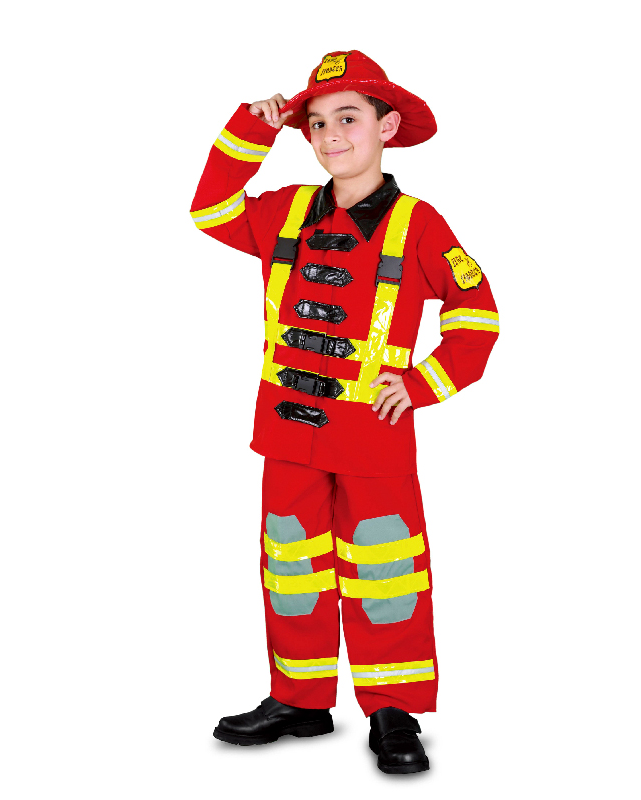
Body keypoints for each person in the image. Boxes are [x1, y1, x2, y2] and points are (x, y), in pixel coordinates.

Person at [189, 50, 500, 774]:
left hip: (373, 439)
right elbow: (210, 210)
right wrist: (251, 129)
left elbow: (478, 314)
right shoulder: (286, 212)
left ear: (386, 127)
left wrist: (423, 383)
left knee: (386, 571)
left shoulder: (420, 224)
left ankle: (393, 710)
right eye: (317, 123)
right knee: (291, 567)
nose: (331, 135)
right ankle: (299, 698)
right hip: (287, 433)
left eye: (349, 118)